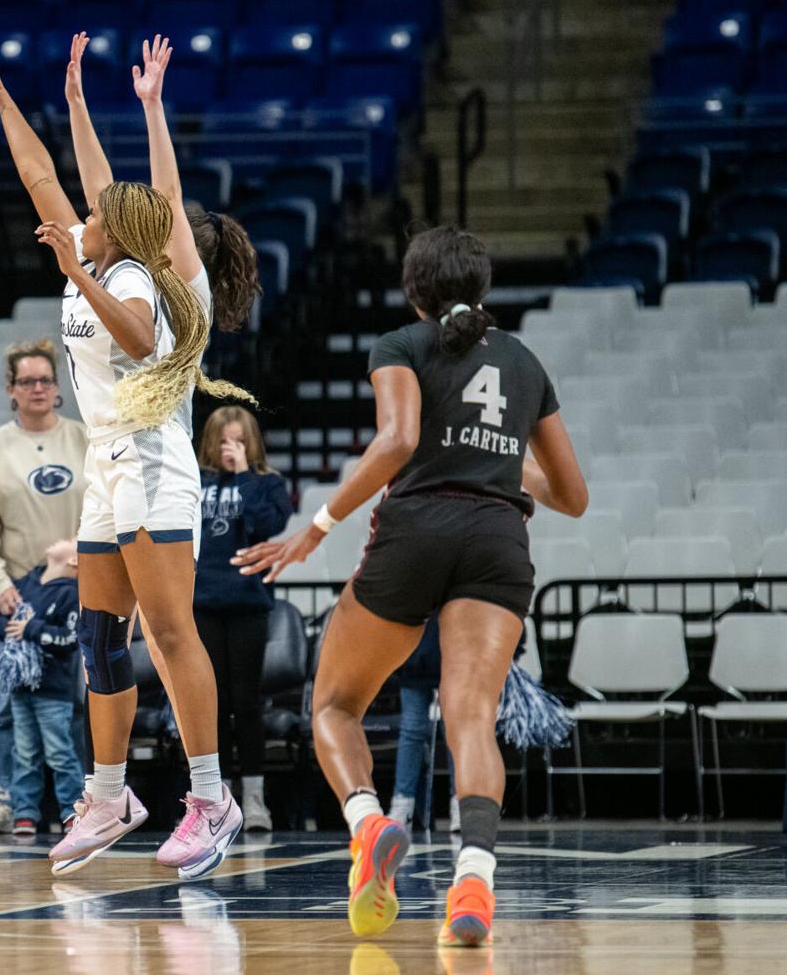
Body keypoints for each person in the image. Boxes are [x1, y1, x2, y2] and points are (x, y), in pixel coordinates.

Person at [235, 225, 588, 947]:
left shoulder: (401, 344)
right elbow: (573, 496)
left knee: (333, 704)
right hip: (498, 540)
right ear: (482, 287)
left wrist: (318, 523)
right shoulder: (525, 363)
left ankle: (369, 826)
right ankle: (476, 881)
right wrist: (493, 460)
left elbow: (397, 442)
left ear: (413, 290)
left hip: (418, 530)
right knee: (471, 716)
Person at [0, 33, 254, 879]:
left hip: (156, 467)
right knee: (100, 637)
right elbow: (44, 176)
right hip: (106, 468)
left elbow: (137, 305)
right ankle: (109, 795)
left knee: (170, 633)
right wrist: (23, 98)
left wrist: (152, 109)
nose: (78, 215)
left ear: (123, 233)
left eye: (93, 217)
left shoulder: (148, 282)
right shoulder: (95, 259)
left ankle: (211, 798)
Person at [0, 339, 90, 833]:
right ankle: (2, 798)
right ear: (10, 390)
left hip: (75, 592)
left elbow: (103, 508)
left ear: (58, 388)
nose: (37, 388)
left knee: (70, 704)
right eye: (27, 381)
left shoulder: (83, 439)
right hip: (14, 595)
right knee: (7, 707)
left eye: (45, 380)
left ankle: (76, 805)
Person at [191, 405, 291, 832]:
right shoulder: (194, 482)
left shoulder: (268, 483)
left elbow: (267, 525)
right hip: (203, 602)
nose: (231, 448)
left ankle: (254, 799)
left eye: (239, 439)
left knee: (246, 703)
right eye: (224, 440)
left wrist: (244, 473)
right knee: (211, 706)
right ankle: (214, 798)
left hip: (248, 604)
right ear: (211, 442)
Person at [0, 539, 84, 837]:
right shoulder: (26, 581)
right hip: (21, 686)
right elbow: (3, 620)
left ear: (74, 560)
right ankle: (25, 812)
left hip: (53, 691)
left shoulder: (72, 594)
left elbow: (70, 639)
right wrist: (5, 620)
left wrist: (32, 628)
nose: (63, 537)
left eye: (71, 540)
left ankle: (72, 811)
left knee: (60, 753)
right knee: (25, 753)